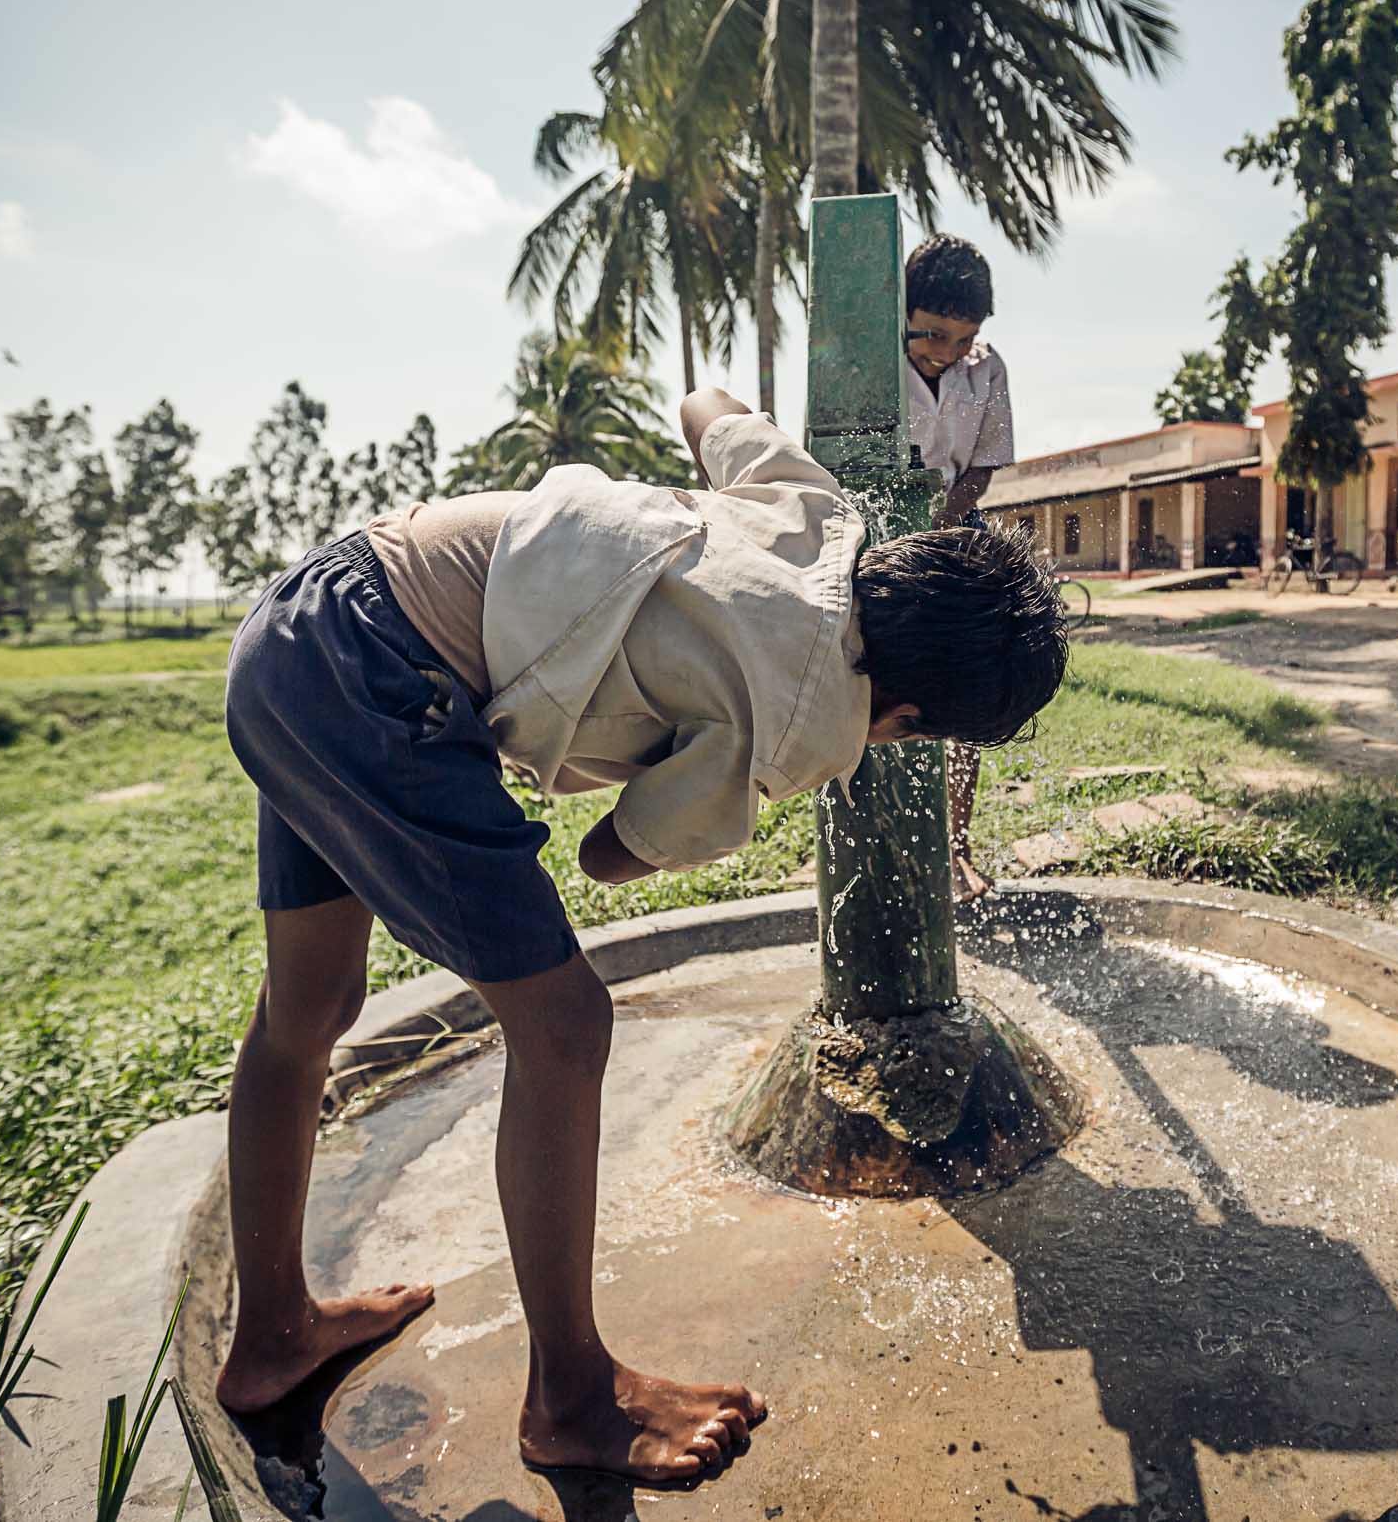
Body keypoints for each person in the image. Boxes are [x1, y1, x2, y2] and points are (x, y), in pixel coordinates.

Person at [215, 387, 1069, 1484]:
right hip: (387, 680)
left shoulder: (816, 508)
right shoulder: (807, 716)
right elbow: (610, 853)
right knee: (565, 1022)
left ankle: (274, 1328)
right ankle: (570, 1395)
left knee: (310, 1009)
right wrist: (663, 749)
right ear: (909, 718)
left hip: (312, 612)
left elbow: (704, 405)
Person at [901, 234, 1017, 902]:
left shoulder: (988, 367)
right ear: (905, 311)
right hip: (878, 529)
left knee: (970, 683)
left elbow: (983, 464)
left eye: (961, 339)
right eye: (933, 333)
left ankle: (955, 846)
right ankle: (893, 844)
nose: (944, 353)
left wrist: (946, 516)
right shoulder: (872, 360)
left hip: (954, 522)